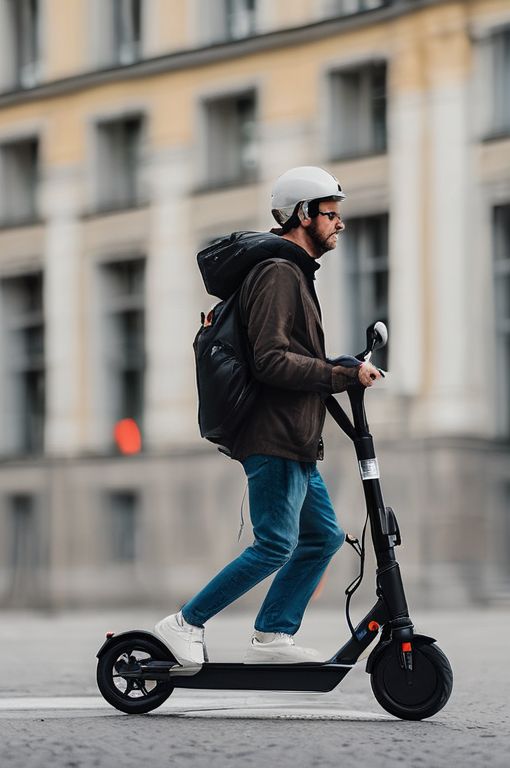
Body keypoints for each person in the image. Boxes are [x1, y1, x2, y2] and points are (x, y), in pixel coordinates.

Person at [154, 166, 383, 668]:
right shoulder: (279, 273)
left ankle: (273, 635)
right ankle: (184, 623)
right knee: (276, 543)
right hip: (273, 434)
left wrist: (342, 367)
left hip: (295, 438)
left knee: (321, 537)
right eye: (330, 214)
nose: (339, 224)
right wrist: (341, 378)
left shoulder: (293, 273)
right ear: (304, 214)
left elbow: (295, 357)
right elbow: (272, 361)